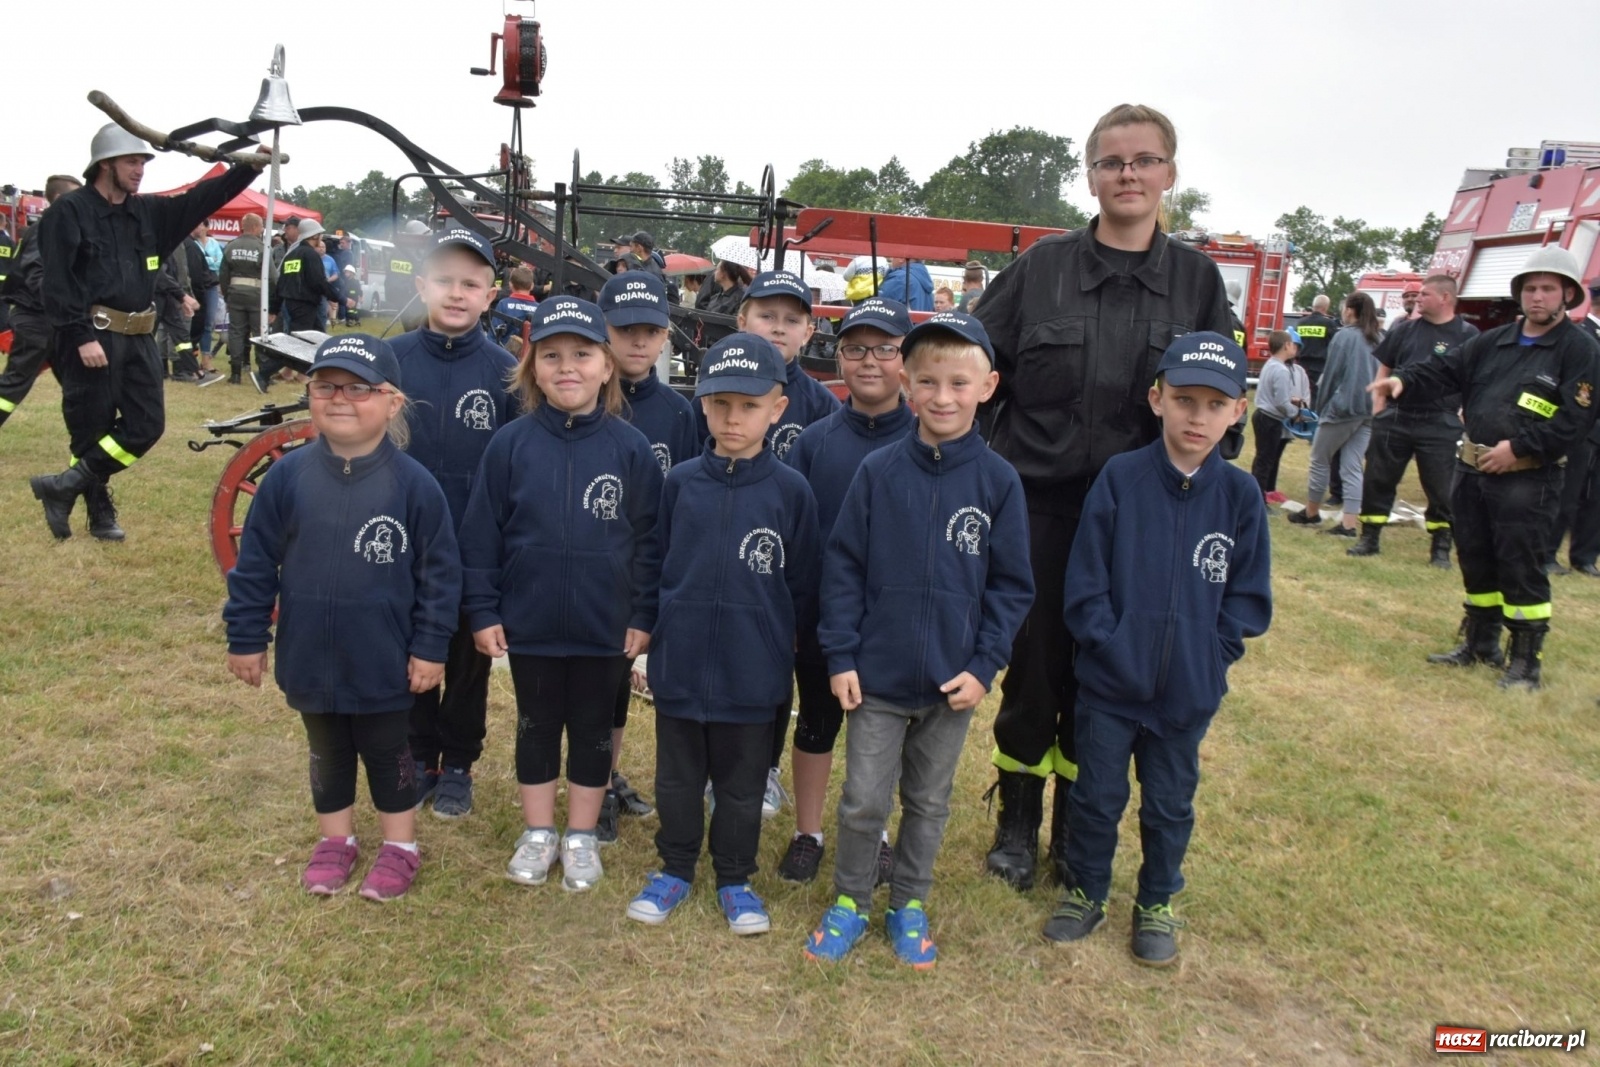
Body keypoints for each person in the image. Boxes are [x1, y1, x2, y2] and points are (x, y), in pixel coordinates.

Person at [973, 103, 1232, 891]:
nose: (1128, 174)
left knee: (1109, 674)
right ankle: (1017, 821)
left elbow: (1218, 402)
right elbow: (979, 370)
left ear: (1169, 174)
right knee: (1035, 669)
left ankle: (1078, 829)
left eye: (1144, 160)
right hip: (1041, 511)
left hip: (1141, 523)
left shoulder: (1197, 281)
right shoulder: (1039, 270)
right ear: (1089, 175)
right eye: (1112, 161)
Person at [804, 312, 1034, 968]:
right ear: (906, 383)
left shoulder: (998, 483)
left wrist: (985, 664)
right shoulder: (877, 473)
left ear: (986, 386)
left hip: (950, 685)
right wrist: (842, 654)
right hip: (874, 681)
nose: (942, 396)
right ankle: (849, 900)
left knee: (928, 801)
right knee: (864, 799)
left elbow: (1012, 587)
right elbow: (842, 567)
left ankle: (909, 903)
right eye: (928, 380)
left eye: (958, 383)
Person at [1041, 331, 1271, 966]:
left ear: (1237, 411)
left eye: (1214, 404)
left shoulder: (1240, 496)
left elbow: (1248, 601)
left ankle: (1157, 901)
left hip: (1186, 693)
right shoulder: (1120, 479)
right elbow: (1084, 585)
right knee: (1096, 796)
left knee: (1170, 803)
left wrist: (1211, 655)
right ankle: (1086, 891)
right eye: (1184, 400)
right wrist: (1111, 646)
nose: (1197, 417)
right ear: (1157, 399)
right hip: (1111, 688)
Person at [223, 334, 461, 902]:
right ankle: (337, 841)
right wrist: (247, 637)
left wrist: (430, 647)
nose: (340, 398)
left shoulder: (415, 486)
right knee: (326, 748)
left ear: (392, 402)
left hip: (383, 658)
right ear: (309, 394)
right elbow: (254, 565)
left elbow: (441, 576)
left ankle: (399, 846)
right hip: (309, 653)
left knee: (387, 750)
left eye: (359, 388)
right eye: (326, 386)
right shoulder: (286, 478)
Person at [460, 296, 663, 891]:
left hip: (606, 626)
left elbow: (651, 542)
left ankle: (579, 835)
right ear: (531, 367)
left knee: (595, 727)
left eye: (581, 354)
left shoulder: (631, 451)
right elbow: (480, 537)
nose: (567, 367)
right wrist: (483, 609)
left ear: (606, 366)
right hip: (532, 622)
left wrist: (643, 613)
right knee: (537, 723)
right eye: (551, 355)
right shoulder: (510, 445)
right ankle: (538, 831)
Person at [624, 333, 820, 935]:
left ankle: (736, 878)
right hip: (681, 664)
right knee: (677, 779)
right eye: (721, 405)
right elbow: (654, 562)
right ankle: (675, 868)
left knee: (740, 787)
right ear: (702, 405)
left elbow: (805, 582)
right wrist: (646, 629)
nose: (734, 419)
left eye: (750, 406)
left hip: (752, 671)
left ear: (777, 409)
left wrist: (789, 647)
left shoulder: (792, 492)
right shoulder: (680, 482)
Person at [1370, 246, 1600, 690]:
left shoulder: (1579, 350)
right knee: (1475, 558)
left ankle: (1525, 662)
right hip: (1473, 472)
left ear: (1568, 295)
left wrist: (1519, 448)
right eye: (1530, 288)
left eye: (1548, 289)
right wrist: (1401, 380)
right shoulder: (1495, 340)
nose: (1537, 296)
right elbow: (1443, 369)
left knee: (1521, 564)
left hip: (1528, 478)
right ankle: (1480, 644)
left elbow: (1576, 419)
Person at [29, 125, 263, 540]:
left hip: (138, 337)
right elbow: (58, 282)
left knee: (147, 425)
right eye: (131, 162)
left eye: (142, 162)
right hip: (89, 336)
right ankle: (99, 514)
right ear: (105, 164)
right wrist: (81, 335)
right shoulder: (68, 212)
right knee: (90, 428)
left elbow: (206, 197)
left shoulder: (149, 213)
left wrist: (249, 167)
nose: (140, 170)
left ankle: (63, 485)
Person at [778, 297, 916, 885]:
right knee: (814, 722)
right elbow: (797, 537)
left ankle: (876, 835)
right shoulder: (816, 441)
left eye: (885, 349)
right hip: (820, 616)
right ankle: (807, 832)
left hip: (893, 621)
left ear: (906, 361)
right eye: (855, 348)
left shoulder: (926, 440)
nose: (868, 362)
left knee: (878, 735)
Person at [390, 227, 518, 821]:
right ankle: (419, 754)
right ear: (421, 286)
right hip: (401, 541)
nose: (457, 293)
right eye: (444, 281)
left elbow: (517, 462)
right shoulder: (390, 363)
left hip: (473, 545)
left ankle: (460, 762)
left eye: (472, 284)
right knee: (410, 648)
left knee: (468, 658)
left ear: (491, 295)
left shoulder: (507, 374)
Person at [710, 269, 841, 819]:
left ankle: (777, 774)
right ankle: (731, 770)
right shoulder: (721, 389)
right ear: (742, 319)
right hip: (733, 557)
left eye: (791, 320)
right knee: (735, 667)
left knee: (792, 672)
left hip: (794, 560)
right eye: (767, 316)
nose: (777, 329)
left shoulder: (820, 406)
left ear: (809, 332)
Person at [597, 269, 700, 838]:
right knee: (594, 685)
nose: (638, 342)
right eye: (625, 329)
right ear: (604, 330)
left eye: (650, 331)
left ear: (665, 336)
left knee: (622, 682)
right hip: (593, 567)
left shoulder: (680, 413)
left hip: (646, 568)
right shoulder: (586, 400)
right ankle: (596, 779)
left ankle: (609, 776)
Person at [1347, 275, 1479, 565]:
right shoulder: (1404, 330)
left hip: (1440, 421)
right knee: (1378, 479)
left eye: (1424, 294)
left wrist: (1464, 414)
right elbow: (1386, 366)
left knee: (1441, 487)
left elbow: (1475, 379)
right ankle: (1369, 538)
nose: (1417, 298)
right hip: (1397, 416)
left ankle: (1440, 548)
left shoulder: (1467, 335)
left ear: (1445, 298)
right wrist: (1378, 405)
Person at [1288, 292, 1380, 536]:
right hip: (1368, 410)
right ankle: (1349, 524)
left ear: (1350, 310)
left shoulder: (1344, 336)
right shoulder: (1377, 337)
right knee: (1352, 466)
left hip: (1342, 408)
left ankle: (1310, 513)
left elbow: (1331, 375)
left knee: (1319, 459)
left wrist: (1321, 408)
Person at [0, 175, 82, 431]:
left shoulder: (60, 226)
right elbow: (38, 274)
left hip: (56, 321)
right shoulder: (49, 227)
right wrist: (62, 303)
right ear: (59, 199)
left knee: (77, 385)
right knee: (14, 384)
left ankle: (87, 442)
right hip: (38, 320)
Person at [1547, 282, 1600, 577]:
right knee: (1567, 494)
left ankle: (1585, 556)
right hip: (1582, 428)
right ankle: (1547, 553)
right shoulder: (1581, 337)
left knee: (1597, 499)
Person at [1250, 329, 1310, 501]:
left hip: (1263, 416)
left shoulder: (1270, 364)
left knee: (1262, 459)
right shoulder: (1282, 370)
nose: (1295, 348)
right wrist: (1296, 414)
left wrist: (1291, 400)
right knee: (1265, 462)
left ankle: (1258, 495)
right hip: (1270, 420)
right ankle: (1259, 500)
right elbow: (1281, 403)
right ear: (1286, 346)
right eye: (1292, 344)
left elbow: (1275, 394)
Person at [218, 212, 268, 386]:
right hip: (256, 295)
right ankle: (263, 373)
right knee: (259, 333)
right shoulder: (262, 248)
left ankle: (236, 373)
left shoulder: (231, 246)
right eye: (261, 226)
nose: (262, 230)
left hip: (235, 294)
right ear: (255, 227)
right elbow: (273, 276)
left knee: (236, 332)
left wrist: (226, 294)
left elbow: (223, 273)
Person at [277, 218, 340, 343]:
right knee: (302, 341)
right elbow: (318, 282)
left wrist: (273, 308)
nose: (321, 238)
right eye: (320, 235)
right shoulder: (310, 255)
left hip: (291, 305)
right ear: (315, 236)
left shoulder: (291, 255)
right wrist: (339, 297)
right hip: (306, 306)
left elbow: (281, 283)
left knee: (314, 337)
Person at [182, 224, 222, 384]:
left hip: (200, 289)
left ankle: (187, 365)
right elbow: (195, 274)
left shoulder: (199, 244)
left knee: (199, 328)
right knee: (188, 331)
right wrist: (197, 296)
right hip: (197, 292)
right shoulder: (190, 245)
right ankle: (188, 368)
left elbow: (219, 263)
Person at [695, 260, 751, 349]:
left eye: (717, 269)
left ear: (723, 273)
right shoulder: (715, 297)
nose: (714, 273)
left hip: (728, 348)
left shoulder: (741, 297)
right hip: (710, 347)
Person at [491, 265, 540, 347]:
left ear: (510, 284)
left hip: (504, 354)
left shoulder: (503, 304)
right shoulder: (539, 308)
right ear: (532, 286)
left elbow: (493, 334)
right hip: (530, 356)